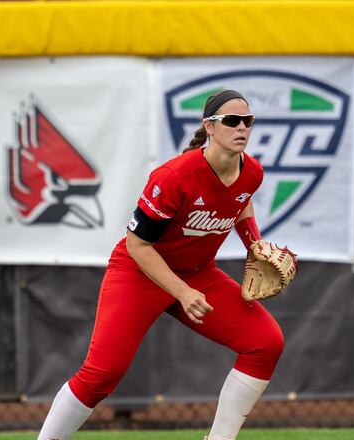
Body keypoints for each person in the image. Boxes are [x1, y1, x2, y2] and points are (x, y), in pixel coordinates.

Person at [37, 90, 284, 440]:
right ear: (209, 127)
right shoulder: (174, 176)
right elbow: (138, 245)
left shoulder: (251, 172)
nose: (242, 127)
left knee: (266, 342)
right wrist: (182, 292)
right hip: (138, 273)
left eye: (248, 120)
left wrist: (253, 245)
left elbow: (241, 202)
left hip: (197, 274)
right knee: (102, 373)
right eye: (232, 120)